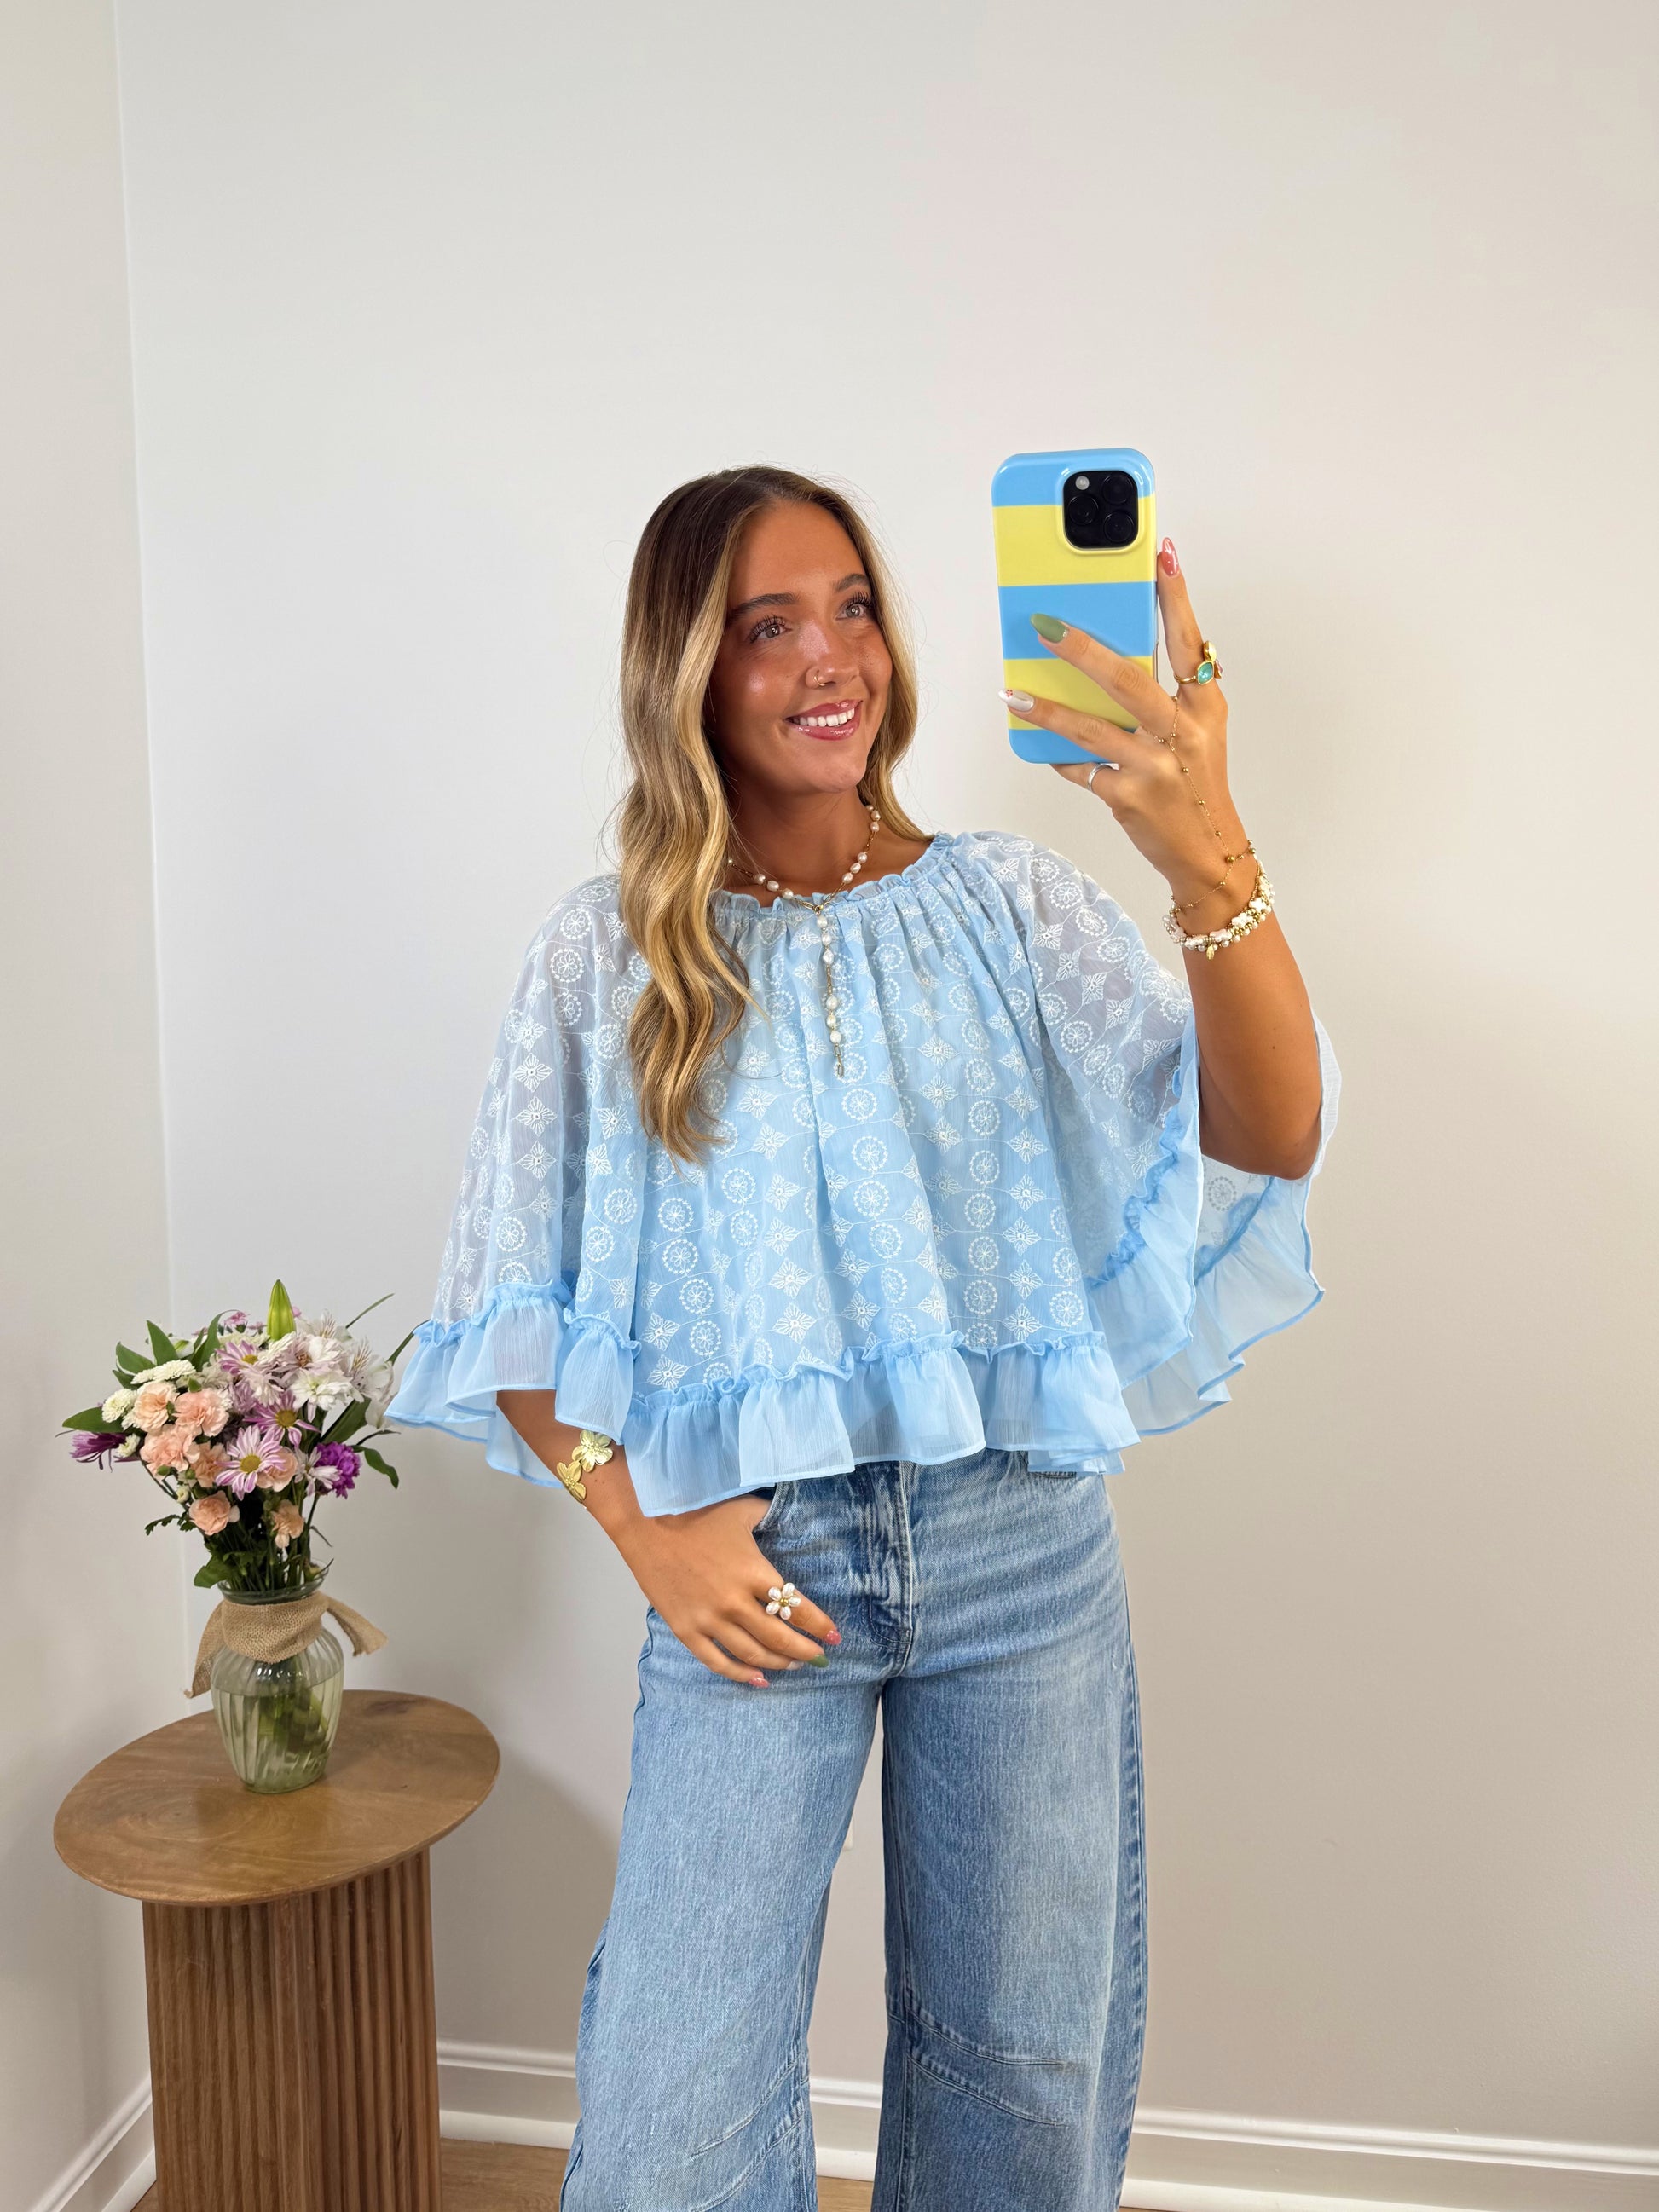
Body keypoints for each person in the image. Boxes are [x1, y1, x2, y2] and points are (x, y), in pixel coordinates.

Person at [387, 465, 1338, 2210]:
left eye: (851, 608)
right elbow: (515, 1291)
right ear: (686, 670)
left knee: (1019, 2072)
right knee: (672, 2114)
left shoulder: (1009, 906)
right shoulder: (609, 953)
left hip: (1020, 1545)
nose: (830, 656)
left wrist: (1202, 843)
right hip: (758, 1564)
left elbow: (1266, 1132)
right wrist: (644, 1527)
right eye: (767, 625)